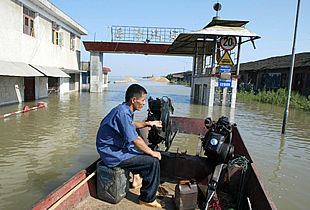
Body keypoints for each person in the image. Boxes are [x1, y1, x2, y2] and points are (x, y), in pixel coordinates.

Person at [96, 84, 163, 208]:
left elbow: (131, 124)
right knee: (152, 162)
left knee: (143, 152)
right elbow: (136, 140)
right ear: (133, 100)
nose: (144, 103)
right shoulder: (122, 112)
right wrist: (152, 153)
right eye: (142, 100)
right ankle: (147, 199)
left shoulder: (124, 109)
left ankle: (137, 178)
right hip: (112, 154)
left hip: (117, 148)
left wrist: (148, 123)